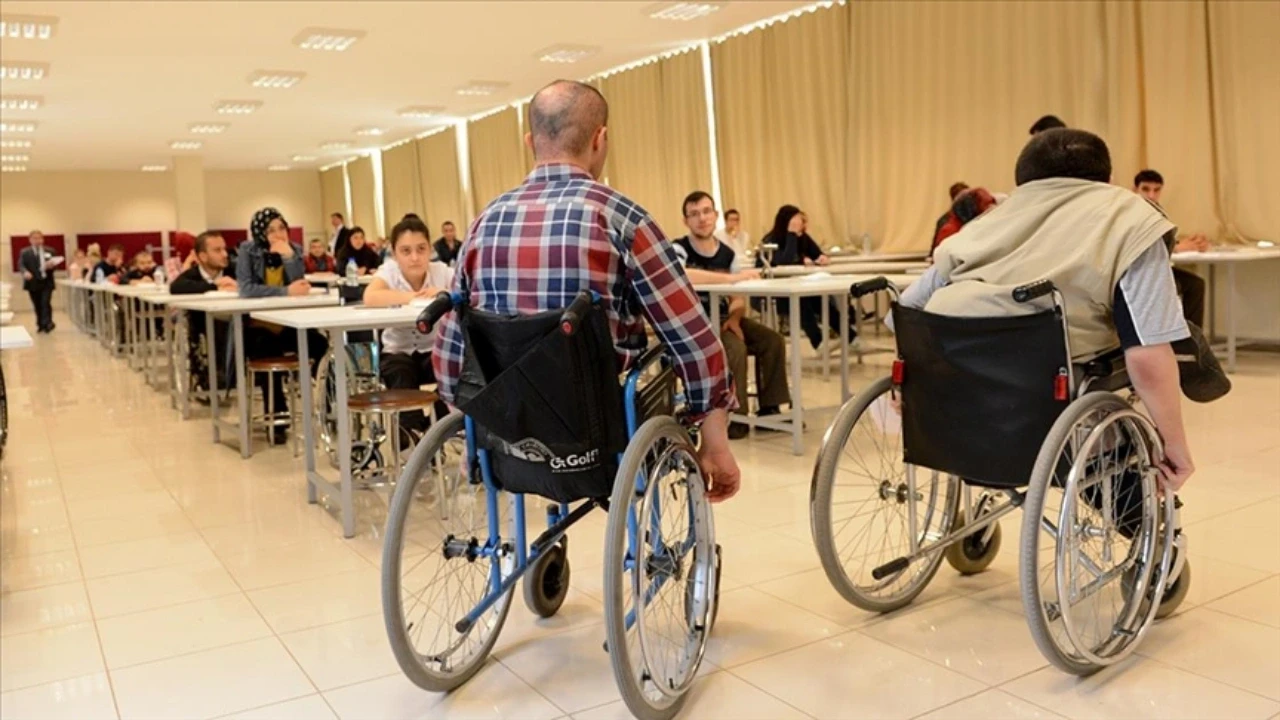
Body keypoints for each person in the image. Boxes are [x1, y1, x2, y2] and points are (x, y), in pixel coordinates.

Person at [434, 79, 741, 502]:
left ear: (530, 141)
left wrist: (465, 418)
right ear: (601, 139)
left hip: (507, 439)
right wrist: (715, 441)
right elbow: (694, 339)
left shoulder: (484, 223)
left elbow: (452, 344)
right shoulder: (622, 218)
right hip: (602, 443)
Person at [898, 128, 1196, 492]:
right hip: (1046, 391)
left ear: (1023, 181)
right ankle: (1129, 508)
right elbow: (1147, 351)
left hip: (954, 396)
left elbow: (908, 307)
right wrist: (1174, 444)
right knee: (1162, 345)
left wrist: (909, 382)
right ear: (1107, 179)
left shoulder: (986, 222)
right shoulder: (1132, 219)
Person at [675, 192, 789, 439]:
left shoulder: (727, 253)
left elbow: (738, 297)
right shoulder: (679, 248)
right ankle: (737, 417)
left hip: (724, 317)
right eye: (694, 214)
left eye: (706, 211)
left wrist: (735, 318)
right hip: (696, 323)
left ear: (715, 215)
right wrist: (730, 278)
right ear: (686, 221)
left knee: (772, 340)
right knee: (734, 348)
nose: (702, 218)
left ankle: (770, 410)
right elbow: (682, 274)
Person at [364, 216, 454, 445]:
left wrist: (442, 293)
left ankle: (437, 429)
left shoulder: (442, 272)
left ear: (430, 250)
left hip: (434, 351)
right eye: (406, 251)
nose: (415, 257)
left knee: (459, 369)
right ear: (394, 254)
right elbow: (370, 296)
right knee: (400, 373)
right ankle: (410, 437)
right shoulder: (388, 272)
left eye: (421, 249)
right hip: (398, 351)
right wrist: (414, 297)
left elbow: (467, 291)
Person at [238, 208, 327, 441]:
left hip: (289, 323)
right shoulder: (248, 250)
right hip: (258, 326)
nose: (278, 235)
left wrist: (288, 258)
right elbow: (246, 289)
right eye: (271, 230)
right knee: (268, 350)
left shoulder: (293, 249)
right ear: (260, 233)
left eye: (282, 228)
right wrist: (285, 291)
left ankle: (328, 406)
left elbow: (300, 282)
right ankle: (277, 416)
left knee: (319, 344)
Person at [758, 204, 857, 351]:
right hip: (774, 291)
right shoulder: (771, 240)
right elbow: (784, 261)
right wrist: (791, 235)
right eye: (797, 220)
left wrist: (822, 258)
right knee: (801, 301)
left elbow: (817, 253)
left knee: (822, 300)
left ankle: (851, 337)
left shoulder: (803, 238)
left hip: (798, 285)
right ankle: (818, 342)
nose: (801, 224)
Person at [1133, 169, 1208, 327]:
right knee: (1192, 286)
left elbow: (1161, 239)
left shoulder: (1157, 212)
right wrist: (1178, 248)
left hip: (1158, 267)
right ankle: (1189, 336)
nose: (1151, 195)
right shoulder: (1132, 212)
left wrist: (1189, 243)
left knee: (1195, 284)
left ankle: (1192, 335)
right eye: (1146, 189)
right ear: (1135, 189)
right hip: (1141, 271)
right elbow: (1140, 244)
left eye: (1156, 190)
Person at [170, 231, 237, 396]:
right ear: (203, 256)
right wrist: (215, 286)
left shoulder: (234, 270)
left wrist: (238, 286)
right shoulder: (193, 274)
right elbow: (176, 287)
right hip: (202, 323)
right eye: (217, 250)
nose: (224, 254)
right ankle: (213, 374)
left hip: (235, 320)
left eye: (224, 249)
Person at [18, 230, 57, 333]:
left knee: (45, 302)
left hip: (46, 282)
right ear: (30, 240)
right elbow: (21, 265)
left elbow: (55, 265)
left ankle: (47, 323)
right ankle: (40, 324)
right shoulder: (25, 252)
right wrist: (25, 272)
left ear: (42, 239)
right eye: (35, 238)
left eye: (39, 238)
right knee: (37, 304)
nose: (37, 240)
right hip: (33, 282)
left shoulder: (50, 251)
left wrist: (51, 266)